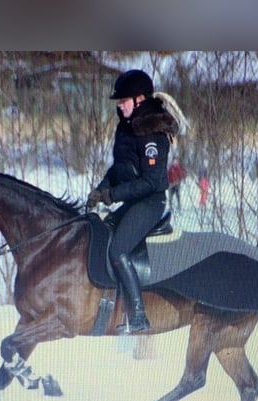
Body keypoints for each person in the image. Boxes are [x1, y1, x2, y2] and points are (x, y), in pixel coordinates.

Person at [87, 69, 188, 333]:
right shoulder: (126, 128)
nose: (119, 105)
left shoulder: (152, 133)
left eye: (124, 101)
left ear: (140, 99)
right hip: (132, 201)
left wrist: (114, 195)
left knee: (118, 249)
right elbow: (119, 169)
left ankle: (138, 316)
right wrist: (100, 190)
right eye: (118, 102)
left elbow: (153, 182)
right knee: (101, 234)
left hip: (149, 203)